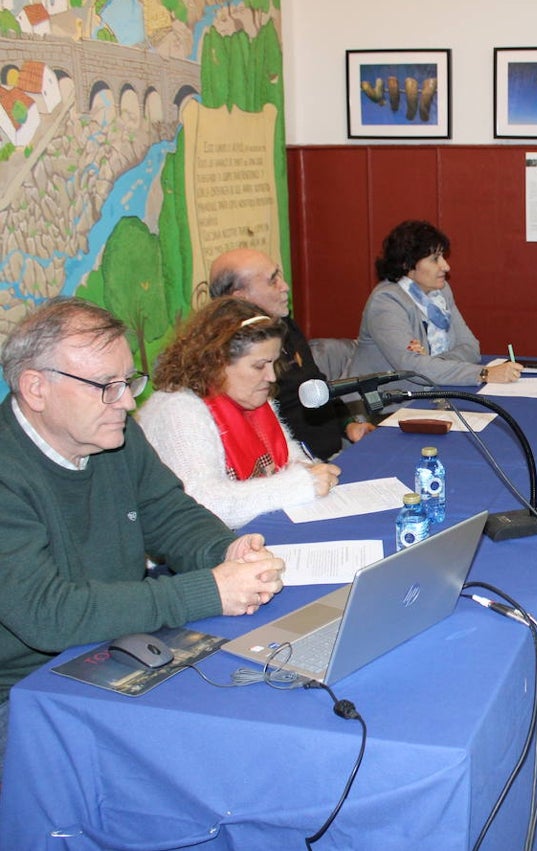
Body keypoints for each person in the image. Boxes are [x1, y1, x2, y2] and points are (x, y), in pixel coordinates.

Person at [0, 298, 284, 769]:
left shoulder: (111, 433)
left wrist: (226, 550)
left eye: (128, 381)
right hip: (27, 691)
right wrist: (209, 590)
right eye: (107, 386)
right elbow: (48, 615)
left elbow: (168, 511)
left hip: (114, 645)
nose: (128, 401)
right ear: (36, 388)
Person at [138, 297, 341, 529]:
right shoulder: (178, 411)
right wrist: (304, 484)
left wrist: (310, 470)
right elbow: (204, 504)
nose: (272, 377)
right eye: (259, 366)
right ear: (217, 361)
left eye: (273, 363)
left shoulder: (252, 396)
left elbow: (290, 460)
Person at [209, 248, 374, 461]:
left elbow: (315, 382)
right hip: (294, 468)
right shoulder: (230, 356)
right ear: (241, 298)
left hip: (331, 456)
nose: (284, 286)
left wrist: (348, 424)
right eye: (272, 280)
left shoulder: (284, 325)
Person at [350, 220, 524, 387]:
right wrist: (483, 373)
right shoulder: (387, 301)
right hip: (382, 406)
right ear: (407, 264)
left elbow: (471, 348)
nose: (446, 266)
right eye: (435, 259)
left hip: (431, 392)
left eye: (442, 257)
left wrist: (432, 364)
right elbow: (413, 369)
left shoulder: (440, 292)